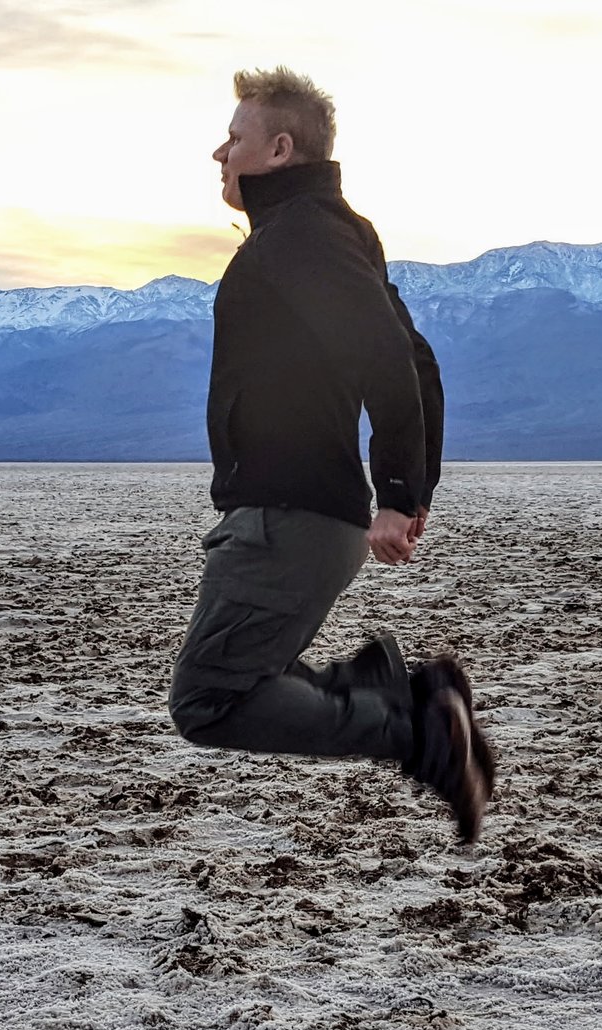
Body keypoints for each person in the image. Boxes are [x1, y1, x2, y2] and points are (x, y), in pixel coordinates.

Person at [167, 66, 495, 842]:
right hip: (302, 516)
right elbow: (417, 362)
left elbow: (390, 359)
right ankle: (379, 687)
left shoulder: (305, 235)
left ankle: (415, 727)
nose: (219, 152)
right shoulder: (321, 230)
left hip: (290, 516)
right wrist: (408, 492)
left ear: (279, 149)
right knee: (248, 681)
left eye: (235, 138)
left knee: (210, 701)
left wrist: (399, 491)